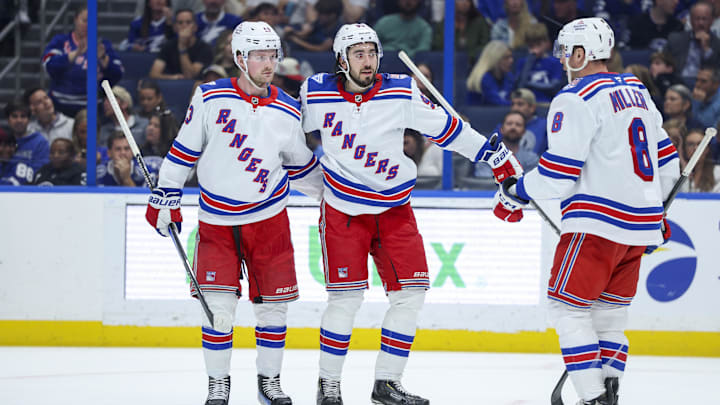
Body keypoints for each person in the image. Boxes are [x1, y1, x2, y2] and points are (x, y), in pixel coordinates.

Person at [299, 23, 523, 405]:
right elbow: (287, 138)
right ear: (341, 60)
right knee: (345, 300)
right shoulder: (315, 92)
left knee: (411, 294)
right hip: (343, 213)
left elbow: (449, 130)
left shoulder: (400, 90)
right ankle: (329, 386)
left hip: (394, 210)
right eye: (358, 54)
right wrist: (312, 181)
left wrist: (493, 156)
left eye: (372, 53)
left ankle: (387, 382)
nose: (368, 61)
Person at [494, 18, 680, 405]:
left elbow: (559, 175)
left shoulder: (574, 97)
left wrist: (519, 189)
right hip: (638, 229)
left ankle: (593, 398)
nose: (563, 59)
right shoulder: (638, 90)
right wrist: (654, 215)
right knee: (610, 318)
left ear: (580, 54)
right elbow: (669, 162)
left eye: (566, 51)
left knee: (567, 309)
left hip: (596, 225)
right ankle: (608, 394)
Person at [144, 21, 323, 405]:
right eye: (260, 55)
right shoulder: (209, 98)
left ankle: (269, 381)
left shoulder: (289, 109)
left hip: (270, 218)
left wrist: (337, 198)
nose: (269, 63)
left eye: (273, 55)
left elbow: (302, 167)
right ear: (240, 58)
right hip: (216, 222)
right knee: (218, 310)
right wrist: (166, 197)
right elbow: (183, 153)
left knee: (274, 309)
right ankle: (218, 383)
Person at [42, 5, 124, 116]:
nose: (88, 25)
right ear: (75, 19)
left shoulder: (102, 45)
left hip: (92, 107)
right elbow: (49, 65)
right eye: (85, 21)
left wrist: (104, 58)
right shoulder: (60, 41)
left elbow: (118, 74)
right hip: (60, 105)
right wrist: (75, 54)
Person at [663, 1, 720, 84]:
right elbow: (663, 60)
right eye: (697, 19)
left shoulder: (717, 44)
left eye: (704, 19)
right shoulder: (675, 39)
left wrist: (706, 49)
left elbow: (715, 72)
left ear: (712, 21)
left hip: (703, 85)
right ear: (691, 20)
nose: (701, 23)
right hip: (677, 82)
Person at [149, 9, 214, 80]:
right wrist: (172, 78)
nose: (184, 26)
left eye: (188, 22)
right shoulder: (168, 46)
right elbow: (153, 74)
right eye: (180, 23)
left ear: (195, 27)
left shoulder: (204, 48)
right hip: (172, 86)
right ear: (175, 28)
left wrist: (182, 46)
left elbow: (190, 76)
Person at [474, 111, 538, 178]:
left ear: (524, 132)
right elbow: (484, 182)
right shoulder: (487, 155)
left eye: (518, 124)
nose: (513, 127)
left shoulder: (532, 158)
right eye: (509, 123)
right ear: (501, 129)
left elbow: (529, 183)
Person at [515, 23, 564, 104]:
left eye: (538, 45)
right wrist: (530, 60)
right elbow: (520, 86)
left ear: (547, 43)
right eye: (531, 46)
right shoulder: (523, 62)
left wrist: (530, 84)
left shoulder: (555, 62)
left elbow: (553, 86)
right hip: (526, 103)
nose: (535, 49)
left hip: (547, 102)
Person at [3, 100, 50, 185]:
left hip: (29, 191)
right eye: (14, 116)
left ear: (29, 120)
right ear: (8, 120)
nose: (19, 120)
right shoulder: (2, 141)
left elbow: (42, 172)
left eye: (23, 116)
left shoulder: (40, 142)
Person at [97, 132, 162, 186]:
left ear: (132, 152)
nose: (123, 153)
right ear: (109, 153)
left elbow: (142, 200)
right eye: (118, 149)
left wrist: (126, 179)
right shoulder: (97, 174)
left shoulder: (146, 173)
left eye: (127, 149)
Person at [466, 40, 515, 105]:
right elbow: (497, 103)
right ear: (495, 59)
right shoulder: (484, 78)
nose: (511, 60)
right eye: (506, 58)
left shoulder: (509, 77)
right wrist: (516, 104)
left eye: (511, 57)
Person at [682, 127, 720, 191]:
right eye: (690, 144)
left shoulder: (717, 172)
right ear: (684, 149)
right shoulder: (676, 172)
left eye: (700, 144)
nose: (696, 148)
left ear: (707, 149)